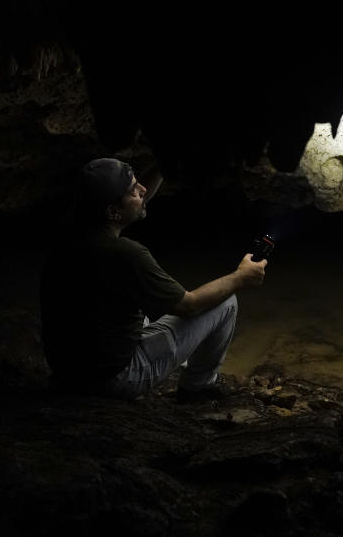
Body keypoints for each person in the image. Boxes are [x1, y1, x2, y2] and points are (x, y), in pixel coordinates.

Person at [40, 157, 267, 400]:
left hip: (68, 372)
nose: (143, 190)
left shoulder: (68, 232)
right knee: (225, 302)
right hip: (114, 380)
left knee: (144, 310)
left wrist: (164, 159)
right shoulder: (126, 254)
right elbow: (189, 306)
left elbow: (131, 203)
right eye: (134, 190)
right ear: (113, 212)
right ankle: (198, 386)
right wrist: (241, 277)